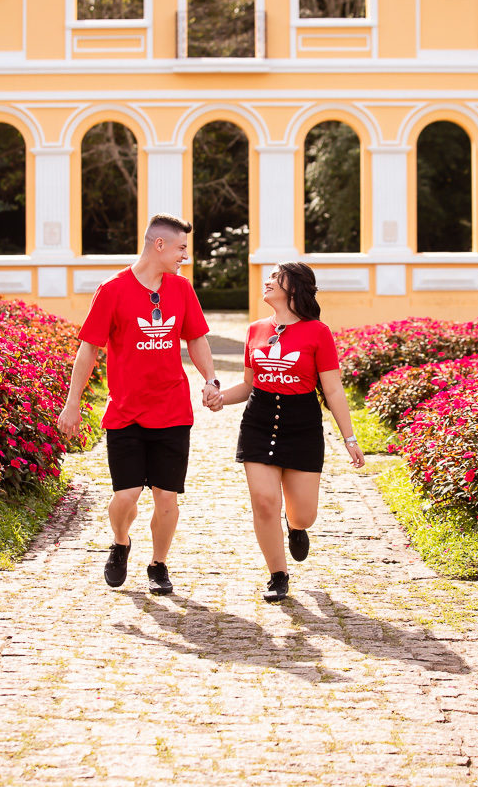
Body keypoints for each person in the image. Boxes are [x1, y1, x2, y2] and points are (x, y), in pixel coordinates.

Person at [58, 213, 223, 596]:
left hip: (172, 410)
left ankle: (158, 564)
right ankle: (120, 542)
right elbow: (88, 351)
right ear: (159, 245)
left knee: (167, 498)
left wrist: (211, 380)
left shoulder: (181, 290)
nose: (186, 255)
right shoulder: (112, 289)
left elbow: (196, 339)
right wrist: (72, 404)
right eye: (181, 247)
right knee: (125, 497)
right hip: (126, 412)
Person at [218, 262, 365, 602]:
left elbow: (333, 391)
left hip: (302, 426)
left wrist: (350, 438)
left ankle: (296, 527)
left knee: (305, 513)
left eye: (275, 277)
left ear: (294, 287)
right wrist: (220, 399)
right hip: (258, 421)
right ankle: (278, 574)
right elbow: (248, 385)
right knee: (264, 502)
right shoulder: (255, 329)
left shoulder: (318, 332)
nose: (266, 282)